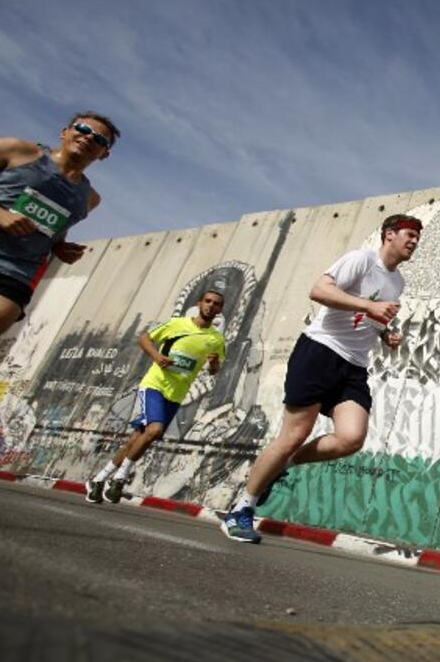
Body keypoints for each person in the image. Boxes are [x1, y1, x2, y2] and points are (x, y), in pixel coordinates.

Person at [218, 214, 422, 543]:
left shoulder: (398, 283)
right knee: (293, 435)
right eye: (409, 234)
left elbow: (369, 317)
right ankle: (241, 509)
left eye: (417, 238)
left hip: (353, 366)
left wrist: (386, 334)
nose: (414, 242)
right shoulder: (360, 260)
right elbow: (319, 290)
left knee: (350, 438)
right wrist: (370, 308)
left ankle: (282, 467)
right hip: (319, 350)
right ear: (389, 234)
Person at [0, 112, 118, 394]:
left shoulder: (89, 199)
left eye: (99, 139)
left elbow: (53, 228)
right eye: (82, 129)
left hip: (12, 274)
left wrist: (59, 246)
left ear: (104, 154)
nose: (88, 137)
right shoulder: (17, 151)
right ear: (65, 132)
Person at [85, 290, 227, 503]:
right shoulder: (177, 324)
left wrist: (214, 362)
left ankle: (98, 479)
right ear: (200, 303)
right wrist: (157, 356)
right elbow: (144, 338)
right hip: (154, 385)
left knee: (138, 439)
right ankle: (120, 478)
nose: (211, 306)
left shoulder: (216, 338)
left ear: (220, 310)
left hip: (177, 394)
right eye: (207, 301)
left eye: (216, 304)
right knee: (154, 430)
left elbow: (215, 369)